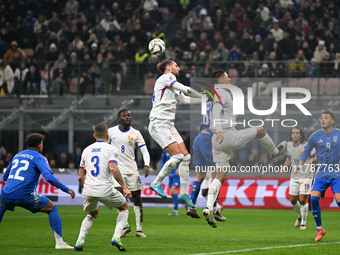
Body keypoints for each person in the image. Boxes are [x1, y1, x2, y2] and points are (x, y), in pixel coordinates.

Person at [203, 69, 285, 228]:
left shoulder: (216, 93)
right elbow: (216, 110)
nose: (229, 77)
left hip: (216, 140)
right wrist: (220, 128)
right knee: (260, 130)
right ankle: (274, 152)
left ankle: (209, 207)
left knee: (219, 176)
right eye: (226, 76)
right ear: (220, 80)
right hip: (226, 135)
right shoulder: (222, 94)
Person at [0, 133, 75, 249]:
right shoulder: (40, 157)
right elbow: (49, 178)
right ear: (40, 146)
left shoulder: (17, 155)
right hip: (25, 195)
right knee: (52, 208)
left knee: (2, 206)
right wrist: (67, 189)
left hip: (6, 193)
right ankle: (60, 243)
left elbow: (5, 177)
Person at [148, 59, 203, 208]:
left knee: (186, 157)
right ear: (168, 67)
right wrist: (204, 96)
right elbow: (187, 90)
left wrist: (203, 102)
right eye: (176, 65)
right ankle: (156, 182)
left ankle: (183, 194)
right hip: (159, 122)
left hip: (168, 124)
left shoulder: (170, 83)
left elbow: (184, 99)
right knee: (178, 156)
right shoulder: (167, 77)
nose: (179, 68)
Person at [74, 123, 132, 251]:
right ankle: (117, 236)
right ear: (107, 135)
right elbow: (113, 168)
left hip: (88, 189)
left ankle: (80, 241)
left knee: (92, 213)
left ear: (94, 135)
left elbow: (80, 176)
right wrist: (124, 187)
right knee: (124, 208)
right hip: (104, 188)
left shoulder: (86, 150)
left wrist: (85, 188)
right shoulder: (111, 149)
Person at [297, 111, 340, 241]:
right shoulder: (315, 136)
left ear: (332, 121)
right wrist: (300, 163)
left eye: (326, 118)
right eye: (321, 118)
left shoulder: (339, 134)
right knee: (314, 200)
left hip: (337, 174)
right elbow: (306, 152)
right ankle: (319, 229)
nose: (322, 120)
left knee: (339, 201)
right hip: (321, 174)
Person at [108, 109, 150, 238]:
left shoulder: (136, 133)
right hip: (117, 172)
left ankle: (139, 229)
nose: (127, 117)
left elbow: (144, 150)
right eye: (124, 115)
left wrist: (146, 164)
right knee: (120, 198)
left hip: (132, 171)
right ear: (119, 119)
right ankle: (125, 226)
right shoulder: (111, 132)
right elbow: (105, 149)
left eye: (129, 116)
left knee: (137, 198)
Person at [187, 100, 226, 222]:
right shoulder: (221, 104)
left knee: (200, 176)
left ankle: (191, 206)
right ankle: (214, 210)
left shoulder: (209, 103)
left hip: (199, 138)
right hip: (209, 139)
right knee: (218, 175)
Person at [280, 127, 315, 230]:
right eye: (293, 133)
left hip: (306, 176)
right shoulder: (289, 146)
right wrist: (284, 166)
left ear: (300, 135)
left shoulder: (307, 145)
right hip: (294, 176)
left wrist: (312, 159)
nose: (295, 135)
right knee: (293, 200)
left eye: (297, 133)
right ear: (291, 135)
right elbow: (289, 158)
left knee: (303, 198)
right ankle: (299, 216)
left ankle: (303, 222)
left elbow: (317, 156)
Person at [161, 150, 180, 216]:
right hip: (170, 173)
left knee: (174, 190)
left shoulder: (176, 148)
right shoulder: (165, 150)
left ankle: (175, 210)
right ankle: (186, 203)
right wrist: (162, 170)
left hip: (177, 174)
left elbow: (184, 158)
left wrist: (180, 167)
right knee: (172, 193)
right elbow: (163, 161)